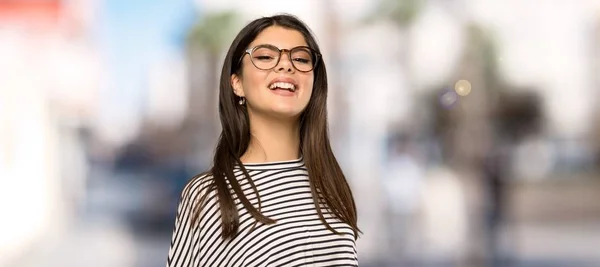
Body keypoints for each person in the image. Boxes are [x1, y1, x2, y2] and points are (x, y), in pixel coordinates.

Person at [166, 14, 361, 267]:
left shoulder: (332, 185)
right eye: (265, 57)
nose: (286, 65)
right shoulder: (207, 195)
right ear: (237, 84)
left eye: (300, 59)